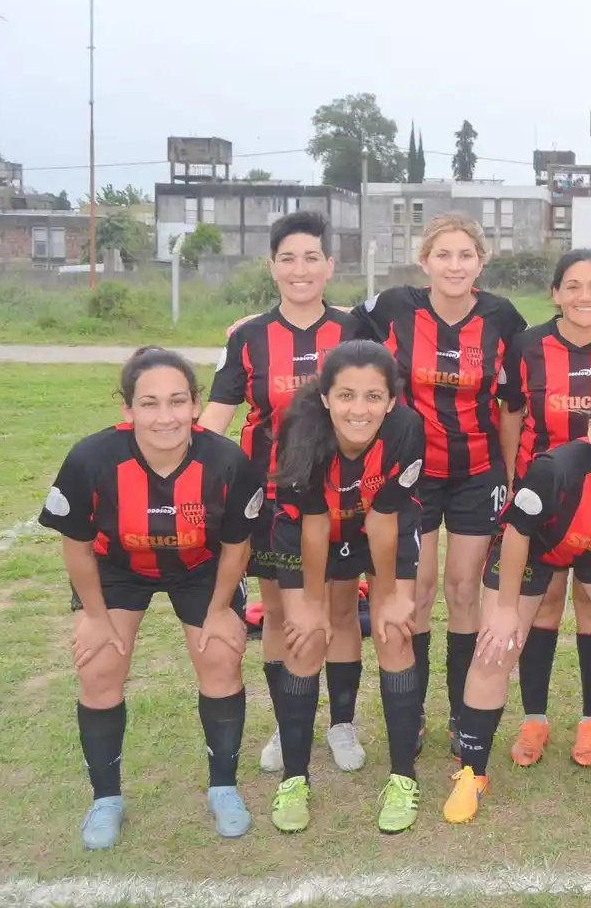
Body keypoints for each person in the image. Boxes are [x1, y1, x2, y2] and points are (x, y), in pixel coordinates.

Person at [39, 347, 263, 850]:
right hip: (117, 569)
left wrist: (219, 610)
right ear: (128, 410)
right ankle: (106, 799)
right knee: (98, 666)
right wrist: (95, 617)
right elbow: (75, 544)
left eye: (177, 402)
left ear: (195, 405)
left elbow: (235, 546)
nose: (165, 417)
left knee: (221, 654)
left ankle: (223, 787)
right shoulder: (91, 458)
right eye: (150, 403)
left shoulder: (226, 461)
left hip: (200, 567)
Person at [444, 370, 591, 823]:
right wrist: (507, 609)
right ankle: (472, 772)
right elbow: (516, 534)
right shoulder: (556, 470)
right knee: (495, 650)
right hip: (536, 550)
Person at [351, 213, 528, 760]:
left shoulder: (502, 317)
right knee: (420, 591)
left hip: (476, 472)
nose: (455, 265)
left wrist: (509, 474)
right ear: (424, 260)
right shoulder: (393, 308)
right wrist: (254, 323)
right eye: (443, 255)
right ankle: (417, 710)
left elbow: (512, 405)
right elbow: (338, 334)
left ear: (481, 261)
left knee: (463, 591)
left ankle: (460, 711)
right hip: (412, 473)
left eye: (466, 255)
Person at [201, 209, 365, 777]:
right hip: (268, 498)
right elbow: (215, 419)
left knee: (341, 611)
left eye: (311, 258)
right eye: (288, 258)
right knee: (275, 613)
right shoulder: (248, 336)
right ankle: (286, 721)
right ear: (272, 267)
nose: (300, 270)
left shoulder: (354, 330)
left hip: (343, 494)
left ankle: (342, 722)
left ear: (330, 265)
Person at [497, 249, 591, 769]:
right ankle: (535, 718)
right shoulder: (528, 345)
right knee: (542, 603)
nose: (584, 296)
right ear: (556, 292)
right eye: (572, 285)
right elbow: (513, 411)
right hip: (546, 501)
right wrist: (513, 479)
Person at [265, 340, 428, 833]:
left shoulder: (407, 429)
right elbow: (314, 525)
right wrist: (311, 603)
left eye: (373, 397)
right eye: (347, 396)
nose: (360, 410)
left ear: (392, 399)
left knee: (395, 632)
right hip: (309, 529)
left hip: (377, 525)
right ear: (326, 398)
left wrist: (394, 596)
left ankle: (403, 777)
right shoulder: (300, 429)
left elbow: (382, 520)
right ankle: (294, 781)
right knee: (308, 636)